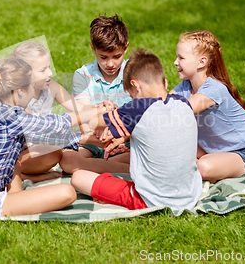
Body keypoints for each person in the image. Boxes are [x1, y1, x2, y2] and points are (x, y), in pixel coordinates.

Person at [0, 57, 104, 221]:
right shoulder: (11, 117)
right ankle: (16, 201)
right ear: (20, 90)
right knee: (67, 192)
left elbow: (50, 136)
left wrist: (89, 139)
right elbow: (54, 124)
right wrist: (92, 112)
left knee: (15, 155)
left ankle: (17, 198)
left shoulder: (0, 110)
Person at [71, 49, 202, 211]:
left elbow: (92, 121)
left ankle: (110, 196)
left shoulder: (138, 108)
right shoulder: (184, 104)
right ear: (165, 83)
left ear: (135, 86)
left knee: (78, 177)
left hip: (150, 199)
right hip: (190, 194)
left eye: (131, 96)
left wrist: (102, 116)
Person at [170, 31, 245, 183]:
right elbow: (159, 108)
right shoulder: (185, 87)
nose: (175, 62)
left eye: (181, 58)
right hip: (209, 151)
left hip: (243, 153)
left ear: (202, 62)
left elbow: (181, 111)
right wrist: (124, 137)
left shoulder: (214, 89)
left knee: (202, 168)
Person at [10, 42, 110, 182]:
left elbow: (79, 108)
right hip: (21, 153)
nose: (50, 73)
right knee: (54, 153)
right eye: (43, 70)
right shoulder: (20, 98)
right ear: (25, 75)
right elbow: (38, 135)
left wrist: (100, 107)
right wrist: (85, 137)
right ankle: (21, 175)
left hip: (44, 144)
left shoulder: (52, 88)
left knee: (64, 152)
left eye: (49, 67)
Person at [60, 15, 133, 174]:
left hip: (127, 139)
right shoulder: (83, 75)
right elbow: (83, 117)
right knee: (67, 158)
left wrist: (122, 138)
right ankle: (110, 165)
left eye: (116, 56)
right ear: (93, 48)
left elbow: (141, 114)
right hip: (92, 140)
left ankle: (100, 166)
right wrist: (98, 137)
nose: (110, 64)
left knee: (142, 154)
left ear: (125, 48)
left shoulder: (134, 72)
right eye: (103, 57)